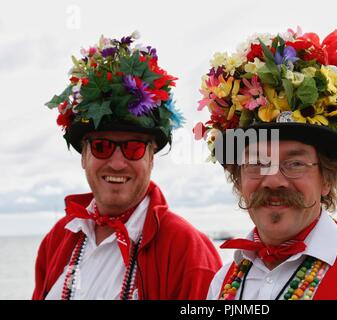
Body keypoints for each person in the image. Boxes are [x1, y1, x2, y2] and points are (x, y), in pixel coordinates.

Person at [195, 27, 337, 300]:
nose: (273, 179)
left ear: (327, 179)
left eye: (295, 163)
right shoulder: (223, 282)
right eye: (256, 163)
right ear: (239, 180)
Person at [33, 32, 222, 300]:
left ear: (151, 157)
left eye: (134, 148)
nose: (118, 163)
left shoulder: (187, 250)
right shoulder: (59, 238)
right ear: (84, 155)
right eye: (101, 146)